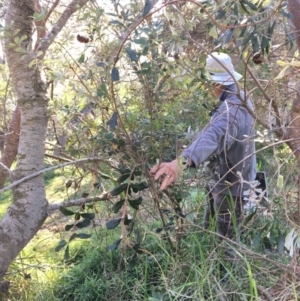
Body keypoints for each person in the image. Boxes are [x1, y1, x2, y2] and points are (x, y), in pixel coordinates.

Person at [150, 52, 256, 245]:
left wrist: (181, 163)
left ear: (217, 83)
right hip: (226, 180)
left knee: (227, 244)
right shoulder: (241, 97)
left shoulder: (231, 109)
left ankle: (226, 274)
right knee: (212, 229)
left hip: (231, 187)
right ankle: (213, 267)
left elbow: (214, 134)